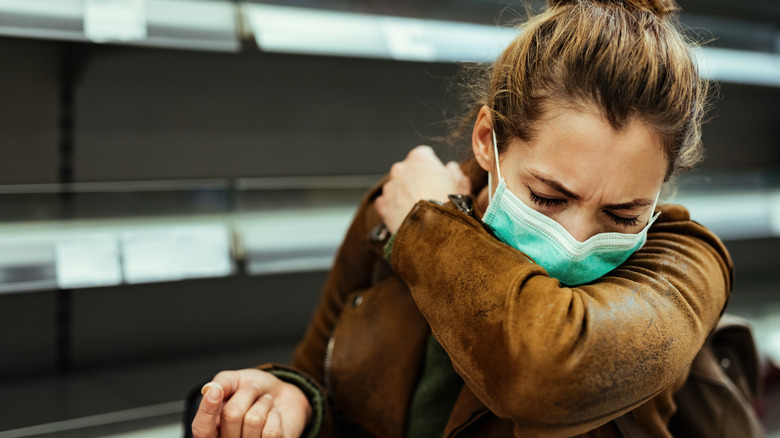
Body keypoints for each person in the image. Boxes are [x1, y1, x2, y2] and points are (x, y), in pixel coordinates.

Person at [191, 0, 742, 436]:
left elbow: (541, 375)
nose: (576, 239)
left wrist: (428, 229)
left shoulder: (685, 264)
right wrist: (295, 405)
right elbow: (322, 375)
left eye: (622, 213)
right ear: (487, 139)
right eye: (548, 197)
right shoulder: (394, 209)